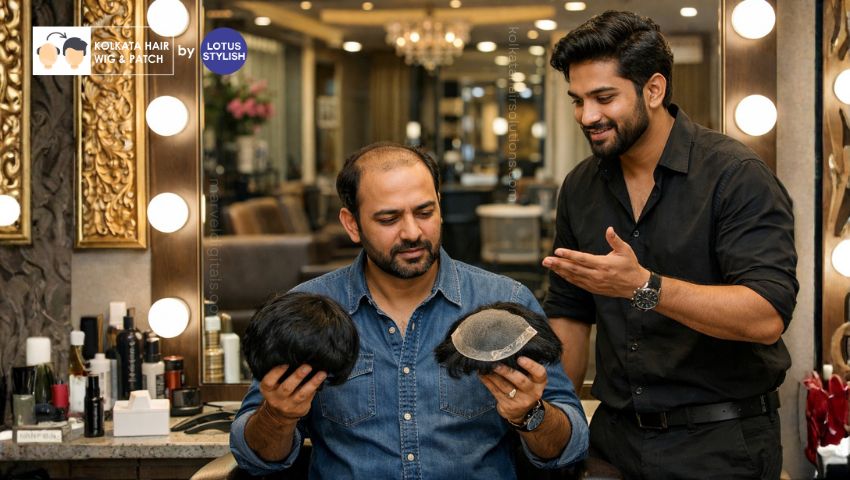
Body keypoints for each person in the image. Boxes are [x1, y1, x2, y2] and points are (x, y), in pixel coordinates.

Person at [230, 142, 588, 478]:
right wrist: (277, 417)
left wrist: (532, 415)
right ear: (352, 224)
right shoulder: (308, 311)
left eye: (424, 212)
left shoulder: (506, 302)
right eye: (388, 219)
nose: (413, 232)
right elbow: (255, 458)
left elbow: (570, 448)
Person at [542, 10, 797, 480]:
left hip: (722, 445)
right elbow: (570, 313)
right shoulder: (580, 187)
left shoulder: (735, 176)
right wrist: (548, 417)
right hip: (613, 444)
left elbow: (765, 316)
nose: (587, 116)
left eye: (603, 98)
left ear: (654, 90)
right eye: (577, 100)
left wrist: (644, 286)